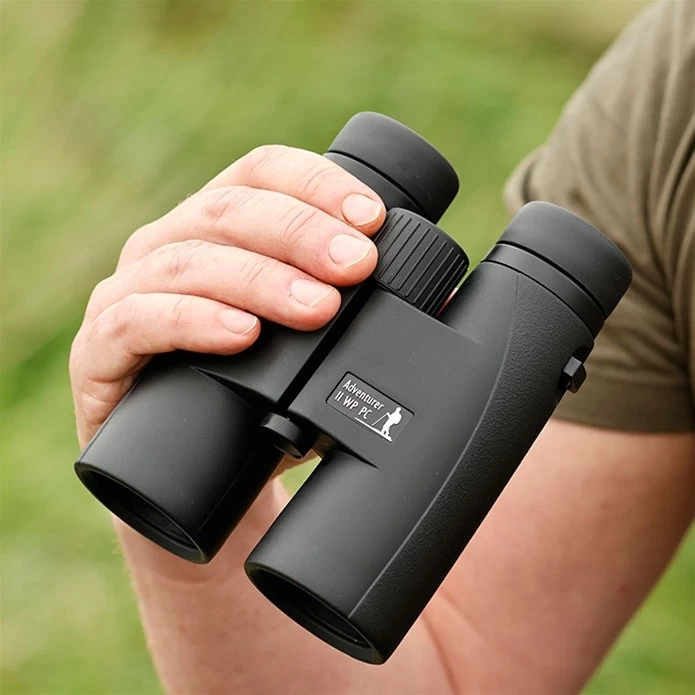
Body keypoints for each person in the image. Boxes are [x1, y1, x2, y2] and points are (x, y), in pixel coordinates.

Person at [69, 2, 694, 693]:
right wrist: (186, 530)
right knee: (557, 265)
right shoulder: (667, 95)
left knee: (560, 266)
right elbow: (461, 678)